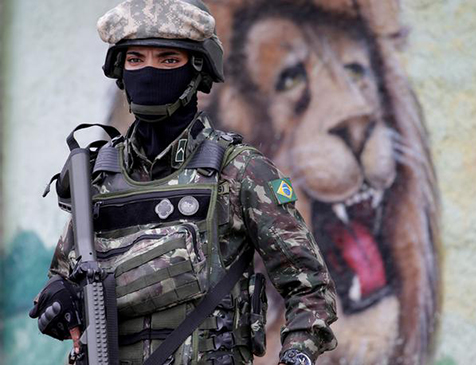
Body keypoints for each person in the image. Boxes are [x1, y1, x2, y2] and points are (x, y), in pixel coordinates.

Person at [29, 0, 338, 364]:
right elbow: (61, 278)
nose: (149, 71)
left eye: (168, 60)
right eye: (135, 59)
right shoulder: (97, 177)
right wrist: (58, 300)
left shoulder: (238, 172)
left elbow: (310, 287)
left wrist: (296, 355)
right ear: (120, 71)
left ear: (197, 72)